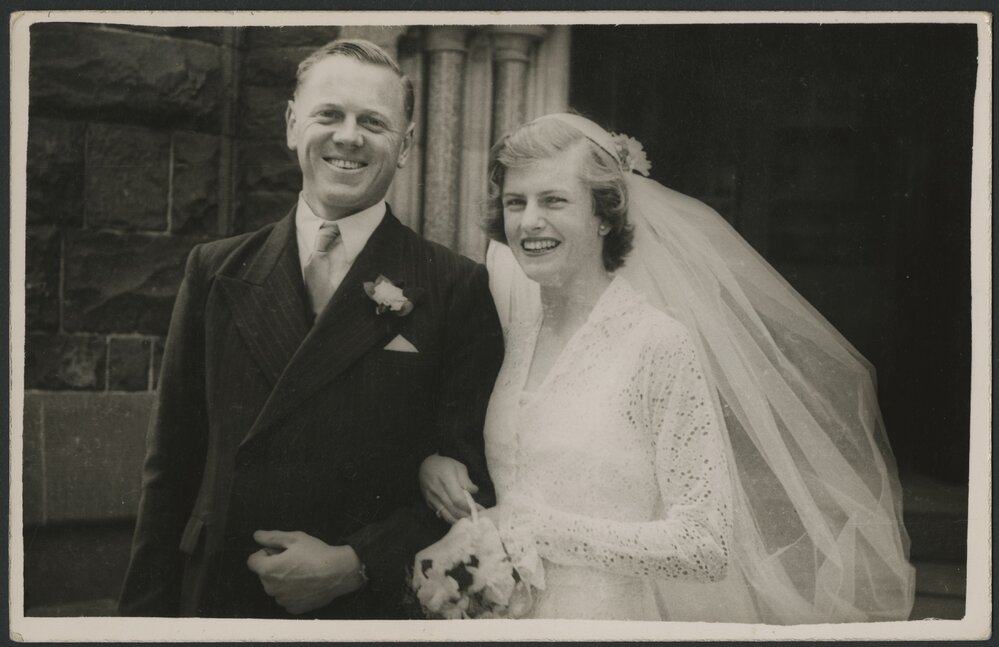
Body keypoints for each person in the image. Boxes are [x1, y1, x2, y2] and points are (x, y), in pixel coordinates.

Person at [419, 113, 916, 622]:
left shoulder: (657, 344)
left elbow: (703, 545)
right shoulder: (516, 334)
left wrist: (530, 529)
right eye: (515, 202)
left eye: (554, 200)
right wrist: (440, 468)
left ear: (604, 216)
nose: (529, 221)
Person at [118, 39, 502, 619]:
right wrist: (139, 624)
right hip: (220, 596)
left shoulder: (456, 286)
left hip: (361, 612)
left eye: (373, 121)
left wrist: (357, 562)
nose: (349, 137)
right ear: (293, 125)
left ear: (406, 146)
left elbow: (470, 486)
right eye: (329, 115)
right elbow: (170, 470)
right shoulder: (215, 271)